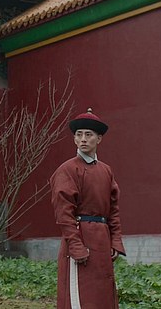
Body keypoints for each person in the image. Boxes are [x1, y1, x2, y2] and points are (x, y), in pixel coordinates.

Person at [49, 108, 125, 309]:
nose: (83, 139)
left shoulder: (106, 171)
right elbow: (64, 214)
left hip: (102, 240)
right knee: (82, 297)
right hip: (81, 237)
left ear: (99, 139)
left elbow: (113, 210)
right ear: (74, 139)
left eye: (89, 134)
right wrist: (76, 246)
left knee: (102, 296)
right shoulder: (67, 170)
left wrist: (115, 241)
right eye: (79, 134)